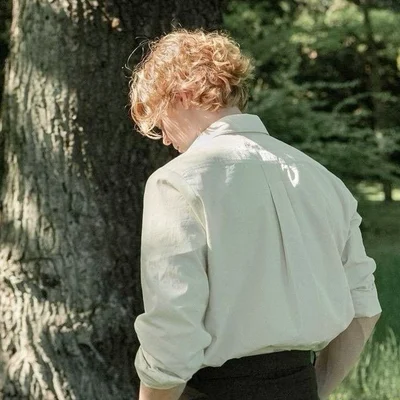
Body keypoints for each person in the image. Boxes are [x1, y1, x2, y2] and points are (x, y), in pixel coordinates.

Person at [129, 29, 382, 400]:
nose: (165, 138)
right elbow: (364, 309)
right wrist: (315, 389)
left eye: (159, 122)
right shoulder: (323, 180)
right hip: (301, 388)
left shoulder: (178, 182)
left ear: (181, 94)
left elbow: (173, 330)